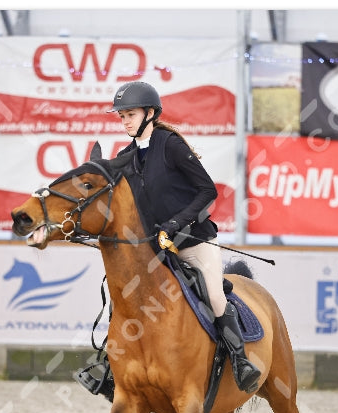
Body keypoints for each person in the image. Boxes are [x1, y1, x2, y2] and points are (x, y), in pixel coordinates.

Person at [108, 81, 261, 393]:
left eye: (130, 114)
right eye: (121, 116)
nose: (125, 121)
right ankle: (110, 368)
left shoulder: (170, 145)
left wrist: (175, 223)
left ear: (150, 113)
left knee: (215, 295)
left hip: (193, 242)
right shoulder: (126, 156)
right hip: (156, 250)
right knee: (126, 297)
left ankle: (240, 359)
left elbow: (208, 191)